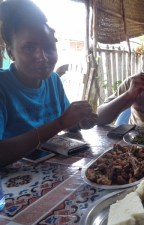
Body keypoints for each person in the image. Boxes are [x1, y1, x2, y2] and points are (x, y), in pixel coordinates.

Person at [0, 0, 97, 167]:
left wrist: (79, 121)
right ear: (11, 53)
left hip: (52, 171)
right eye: (30, 48)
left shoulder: (53, 81)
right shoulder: (3, 87)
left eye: (49, 47)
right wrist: (60, 123)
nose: (43, 57)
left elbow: (67, 124)